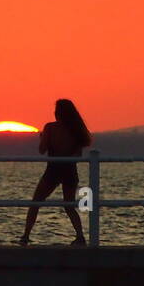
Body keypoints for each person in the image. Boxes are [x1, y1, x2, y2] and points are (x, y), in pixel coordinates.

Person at [19, 99, 92, 246]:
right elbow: (77, 155)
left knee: (36, 202)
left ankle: (26, 236)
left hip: (53, 170)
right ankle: (80, 236)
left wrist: (42, 138)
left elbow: (42, 150)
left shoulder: (51, 128)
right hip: (70, 170)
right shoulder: (77, 131)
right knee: (69, 205)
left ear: (57, 113)